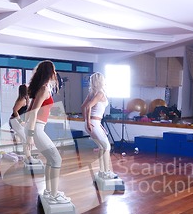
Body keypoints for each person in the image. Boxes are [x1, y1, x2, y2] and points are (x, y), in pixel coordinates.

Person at [24, 60, 71, 204]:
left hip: (37, 127)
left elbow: (29, 112)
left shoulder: (43, 88)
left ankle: (50, 192)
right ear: (50, 72)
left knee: (51, 160)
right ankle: (54, 194)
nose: (55, 73)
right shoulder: (44, 89)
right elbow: (32, 113)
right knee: (56, 159)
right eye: (54, 70)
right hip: (36, 128)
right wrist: (30, 136)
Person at [81, 72, 118, 179]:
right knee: (107, 147)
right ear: (101, 81)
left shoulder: (92, 93)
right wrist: (89, 122)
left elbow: (83, 106)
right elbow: (88, 106)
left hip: (94, 123)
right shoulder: (100, 94)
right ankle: (106, 172)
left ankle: (103, 171)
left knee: (102, 147)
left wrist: (87, 121)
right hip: (93, 123)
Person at [9, 84, 37, 163]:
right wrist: (20, 121)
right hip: (14, 121)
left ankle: (28, 157)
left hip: (15, 121)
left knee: (25, 139)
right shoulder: (22, 100)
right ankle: (29, 158)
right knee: (25, 139)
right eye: (28, 88)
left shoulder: (25, 99)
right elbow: (15, 110)